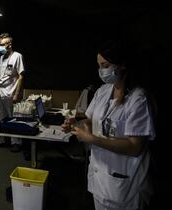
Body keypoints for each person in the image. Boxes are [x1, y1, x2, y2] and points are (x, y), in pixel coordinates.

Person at [62, 42, 156, 210]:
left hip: (125, 182)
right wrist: (76, 124)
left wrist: (92, 139)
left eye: (105, 65)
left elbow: (135, 147)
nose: (101, 71)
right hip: (100, 178)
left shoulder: (138, 99)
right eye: (99, 66)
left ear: (122, 65)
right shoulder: (103, 91)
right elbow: (90, 120)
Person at [0, 33, 25, 152]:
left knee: (14, 118)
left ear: (9, 44)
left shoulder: (17, 56)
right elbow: (1, 76)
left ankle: (16, 142)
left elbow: (21, 76)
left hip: (11, 92)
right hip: (1, 92)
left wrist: (17, 94)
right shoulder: (2, 58)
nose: (1, 47)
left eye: (3, 44)